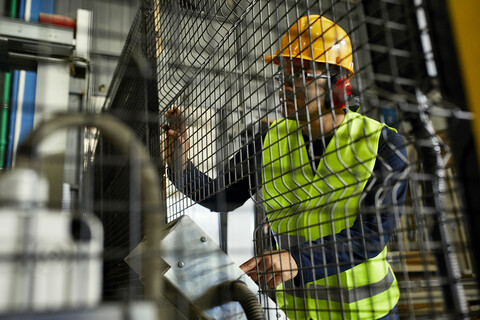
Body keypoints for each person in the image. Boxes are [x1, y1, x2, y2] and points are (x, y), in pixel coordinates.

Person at [162, 15, 408, 320]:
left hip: (370, 313)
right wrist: (180, 164)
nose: (287, 87)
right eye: (285, 75)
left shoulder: (382, 143)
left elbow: (372, 233)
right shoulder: (268, 139)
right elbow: (221, 197)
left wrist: (297, 260)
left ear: (338, 83)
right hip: (298, 313)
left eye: (302, 74)